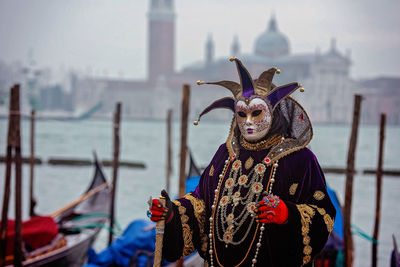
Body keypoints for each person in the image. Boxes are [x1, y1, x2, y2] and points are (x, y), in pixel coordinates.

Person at [148, 58, 336, 266]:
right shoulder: (226, 154)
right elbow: (201, 205)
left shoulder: (298, 160)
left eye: (256, 113)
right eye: (241, 114)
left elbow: (323, 216)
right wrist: (171, 213)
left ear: (272, 111)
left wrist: (286, 214)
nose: (247, 122)